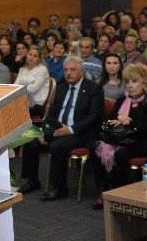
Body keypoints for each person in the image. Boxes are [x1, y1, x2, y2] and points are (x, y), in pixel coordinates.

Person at [18, 57, 104, 200]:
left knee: (57, 146)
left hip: (80, 133)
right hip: (58, 129)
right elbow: (50, 113)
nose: (68, 73)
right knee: (31, 140)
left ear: (81, 71)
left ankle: (59, 187)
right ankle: (32, 180)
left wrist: (70, 130)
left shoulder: (93, 88)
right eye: (65, 70)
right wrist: (42, 130)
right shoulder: (62, 87)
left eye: (72, 70)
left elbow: (94, 117)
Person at [91, 64, 147, 209]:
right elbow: (109, 119)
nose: (130, 86)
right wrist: (119, 116)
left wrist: (128, 122)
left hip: (143, 142)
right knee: (96, 148)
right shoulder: (123, 100)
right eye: (128, 82)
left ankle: (119, 192)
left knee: (119, 153)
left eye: (134, 81)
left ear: (143, 82)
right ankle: (103, 189)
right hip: (122, 139)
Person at [14, 46, 50, 116]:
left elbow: (33, 89)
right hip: (22, 101)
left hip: (36, 105)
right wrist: (28, 85)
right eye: (30, 54)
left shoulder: (42, 69)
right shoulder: (22, 69)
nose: (31, 58)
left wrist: (23, 86)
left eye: (35, 56)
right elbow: (15, 87)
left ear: (39, 58)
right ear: (27, 55)